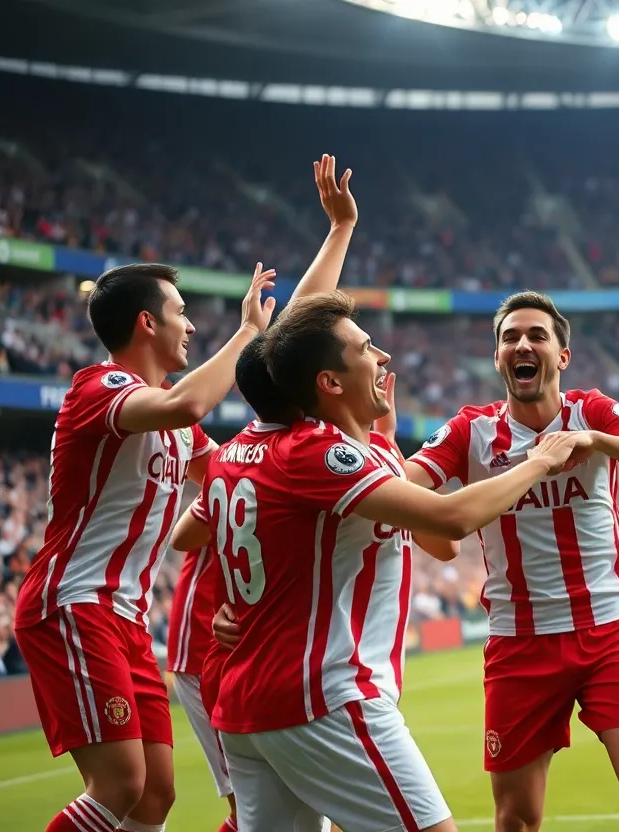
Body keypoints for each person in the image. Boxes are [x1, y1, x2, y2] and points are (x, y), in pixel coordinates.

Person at [178, 291, 581, 832]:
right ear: (329, 382)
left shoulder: (240, 454)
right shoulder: (318, 452)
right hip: (324, 695)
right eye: (366, 348)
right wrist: (539, 461)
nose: (383, 358)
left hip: (249, 705)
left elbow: (192, 533)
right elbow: (452, 523)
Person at [401, 292, 619, 832]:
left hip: (609, 629)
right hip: (519, 642)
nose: (522, 344)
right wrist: (431, 525)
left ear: (562, 356)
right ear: (497, 359)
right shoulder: (471, 431)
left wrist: (594, 438)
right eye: (509, 337)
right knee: (516, 818)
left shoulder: (593, 411)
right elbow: (398, 491)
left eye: (537, 335)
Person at [12, 253, 278, 832]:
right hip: (73, 602)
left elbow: (236, 476)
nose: (189, 326)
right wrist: (248, 333)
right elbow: (187, 401)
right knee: (120, 783)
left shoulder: (178, 427)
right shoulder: (100, 388)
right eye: (180, 313)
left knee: (155, 795)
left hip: (126, 618)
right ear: (146, 324)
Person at [165, 153, 361, 832]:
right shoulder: (282, 451)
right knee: (256, 812)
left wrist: (339, 233)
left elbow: (296, 328)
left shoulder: (263, 445)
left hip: (244, 638)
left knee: (285, 814)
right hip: (219, 639)